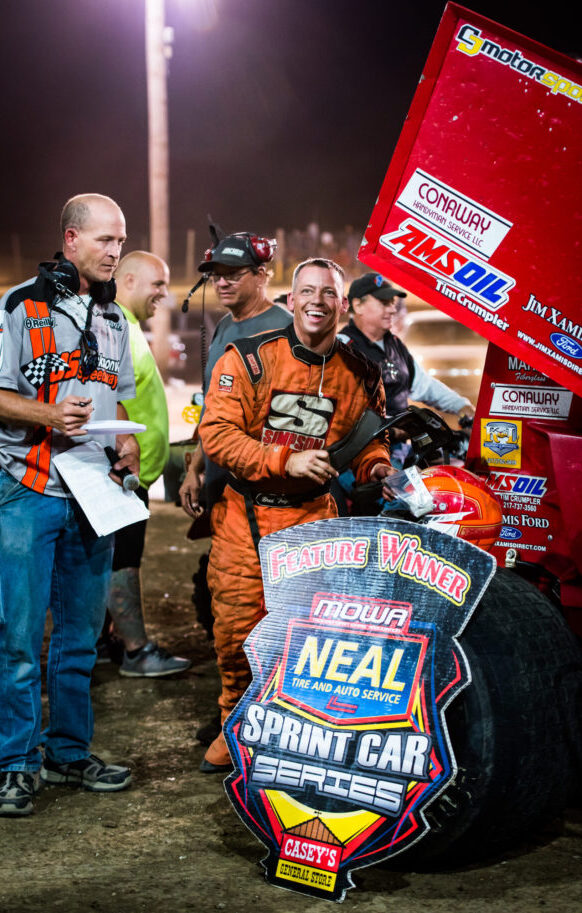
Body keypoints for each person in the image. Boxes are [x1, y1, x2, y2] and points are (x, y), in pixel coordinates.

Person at [197, 257, 394, 772]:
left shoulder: (362, 372)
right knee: (237, 631)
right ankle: (233, 725)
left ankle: (297, 731)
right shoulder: (249, 358)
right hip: (247, 517)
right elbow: (217, 435)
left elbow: (371, 441)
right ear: (290, 301)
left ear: (341, 303)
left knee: (309, 638)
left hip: (315, 520)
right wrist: (285, 459)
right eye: (306, 291)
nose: (316, 301)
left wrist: (379, 471)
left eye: (327, 293)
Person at [0, 193, 139, 816]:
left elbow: (120, 402)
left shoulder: (116, 321)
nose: (115, 251)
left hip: (94, 497)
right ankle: (14, 764)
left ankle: (66, 753)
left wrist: (128, 446)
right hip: (26, 490)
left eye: (120, 240)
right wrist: (49, 414)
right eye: (105, 239)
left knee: (80, 639)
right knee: (21, 640)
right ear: (71, 239)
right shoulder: (18, 306)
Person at [178, 230, 292, 745]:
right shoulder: (224, 324)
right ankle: (236, 711)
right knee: (225, 607)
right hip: (226, 495)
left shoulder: (287, 329)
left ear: (263, 274)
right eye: (216, 274)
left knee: (269, 614)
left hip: (272, 500)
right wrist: (195, 465)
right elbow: (213, 408)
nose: (222, 282)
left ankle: (265, 718)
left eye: (234, 273)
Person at [102, 251, 191, 677]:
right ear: (129, 280)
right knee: (123, 559)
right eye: (157, 284)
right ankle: (136, 651)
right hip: (120, 474)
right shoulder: (112, 324)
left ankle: (107, 639)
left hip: (133, 475)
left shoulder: (129, 325)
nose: (164, 293)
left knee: (113, 557)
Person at [339, 273, 475, 422]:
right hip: (365, 444)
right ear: (358, 305)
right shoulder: (342, 347)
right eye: (384, 303)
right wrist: (389, 427)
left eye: (392, 303)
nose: (392, 310)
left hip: (399, 442)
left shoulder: (395, 344)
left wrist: (461, 405)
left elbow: (424, 385)